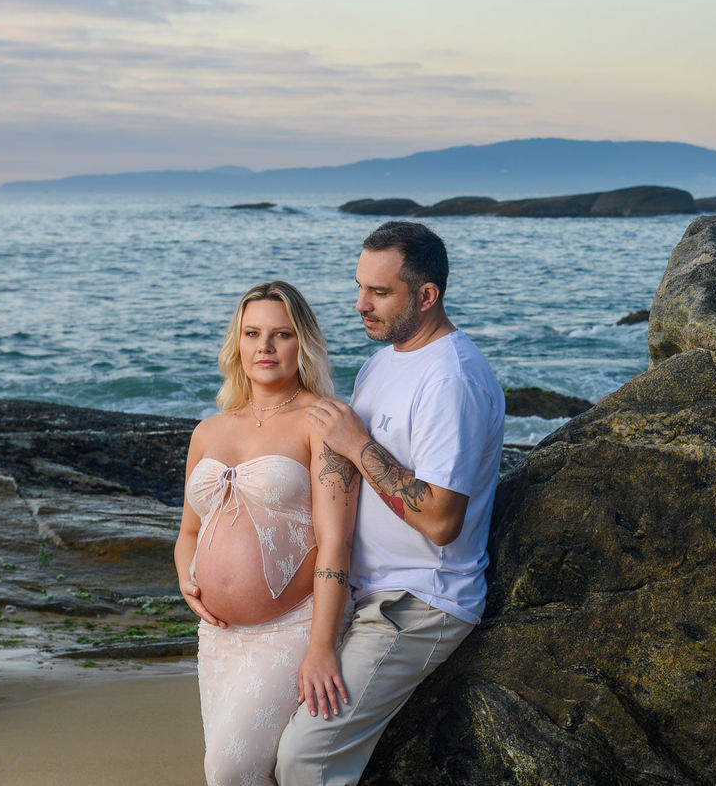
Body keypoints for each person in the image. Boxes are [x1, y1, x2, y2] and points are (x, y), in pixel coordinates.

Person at [275, 221, 505, 785]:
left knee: (304, 758)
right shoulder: (383, 363)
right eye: (360, 287)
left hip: (417, 602)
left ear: (426, 296)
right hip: (358, 590)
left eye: (380, 292)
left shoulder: (452, 381)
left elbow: (441, 519)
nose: (360, 305)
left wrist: (358, 444)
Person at [174, 281, 361, 786]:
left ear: (304, 344)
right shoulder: (208, 430)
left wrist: (321, 645)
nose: (265, 347)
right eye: (252, 333)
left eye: (282, 334)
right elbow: (190, 529)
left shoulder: (321, 422)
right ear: (237, 343)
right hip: (218, 636)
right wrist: (185, 581)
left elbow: (336, 542)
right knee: (240, 773)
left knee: (229, 770)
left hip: (291, 629)